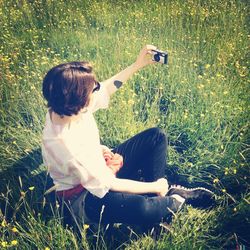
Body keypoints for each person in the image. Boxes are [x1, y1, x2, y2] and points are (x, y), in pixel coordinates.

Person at [41, 45, 214, 231]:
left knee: (156, 136)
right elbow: (108, 184)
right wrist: (154, 184)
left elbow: (107, 88)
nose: (98, 89)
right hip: (84, 198)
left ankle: (158, 203)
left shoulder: (64, 108)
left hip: (98, 169)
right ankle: (172, 200)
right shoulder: (66, 145)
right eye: (93, 88)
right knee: (141, 207)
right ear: (79, 100)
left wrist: (137, 64)